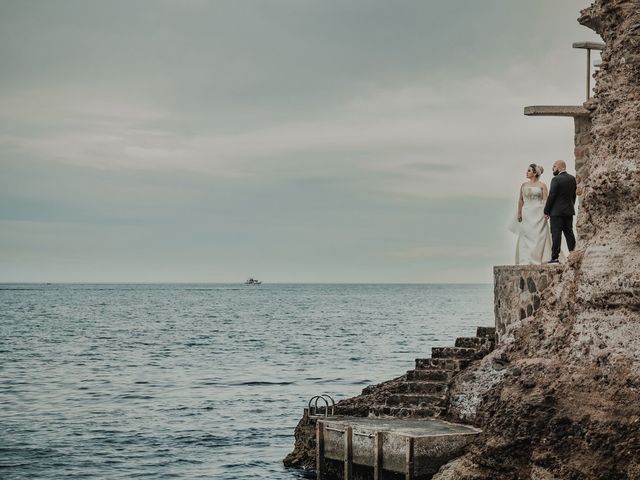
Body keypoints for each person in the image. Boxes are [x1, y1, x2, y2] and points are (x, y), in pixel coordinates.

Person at [513, 163, 552, 264]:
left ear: (535, 173)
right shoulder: (524, 185)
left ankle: (539, 258)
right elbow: (520, 200)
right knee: (526, 234)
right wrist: (519, 213)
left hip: (539, 212)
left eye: (529, 170)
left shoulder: (542, 185)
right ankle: (525, 259)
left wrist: (546, 212)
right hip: (527, 212)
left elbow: (545, 200)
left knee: (539, 235)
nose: (527, 172)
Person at [544, 160, 577, 264]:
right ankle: (573, 254)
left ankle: (555, 257)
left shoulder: (555, 179)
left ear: (559, 167)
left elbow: (552, 196)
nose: (552, 169)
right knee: (569, 233)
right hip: (568, 211)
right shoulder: (572, 179)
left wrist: (546, 211)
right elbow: (573, 196)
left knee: (556, 234)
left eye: (554, 167)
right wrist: (570, 206)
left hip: (556, 213)